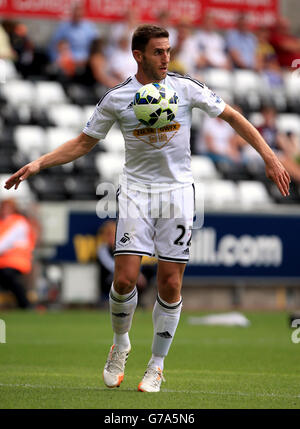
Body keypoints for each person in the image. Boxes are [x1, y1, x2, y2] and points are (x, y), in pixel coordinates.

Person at [4, 25, 290, 392]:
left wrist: (269, 156)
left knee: (170, 283)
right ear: (138, 55)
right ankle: (120, 344)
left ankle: (156, 364)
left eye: (168, 50)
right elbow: (82, 143)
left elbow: (232, 116)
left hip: (178, 194)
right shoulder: (118, 98)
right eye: (158, 51)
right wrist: (39, 164)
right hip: (137, 192)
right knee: (123, 279)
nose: (166, 57)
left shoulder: (185, 87)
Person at [97, 220, 156, 307]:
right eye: (109, 235)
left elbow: (134, 261)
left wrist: (137, 274)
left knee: (147, 272)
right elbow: (110, 265)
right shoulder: (103, 249)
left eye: (113, 234)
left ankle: (136, 300)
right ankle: (108, 300)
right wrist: (131, 274)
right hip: (110, 278)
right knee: (125, 278)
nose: (112, 238)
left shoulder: (125, 246)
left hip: (127, 275)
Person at [0, 199, 36, 309]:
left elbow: (5, 242)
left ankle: (25, 304)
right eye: (3, 208)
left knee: (9, 277)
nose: (4, 211)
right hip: (4, 262)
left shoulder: (19, 222)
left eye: (8, 208)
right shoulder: (2, 223)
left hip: (17, 261)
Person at [48, 1, 99, 66]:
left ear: (83, 13)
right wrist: (56, 58)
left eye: (79, 11)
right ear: (72, 13)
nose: (77, 14)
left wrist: (90, 58)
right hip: (68, 60)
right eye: (75, 11)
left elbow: (97, 44)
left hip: (86, 60)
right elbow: (54, 44)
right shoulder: (64, 26)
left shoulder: (89, 27)